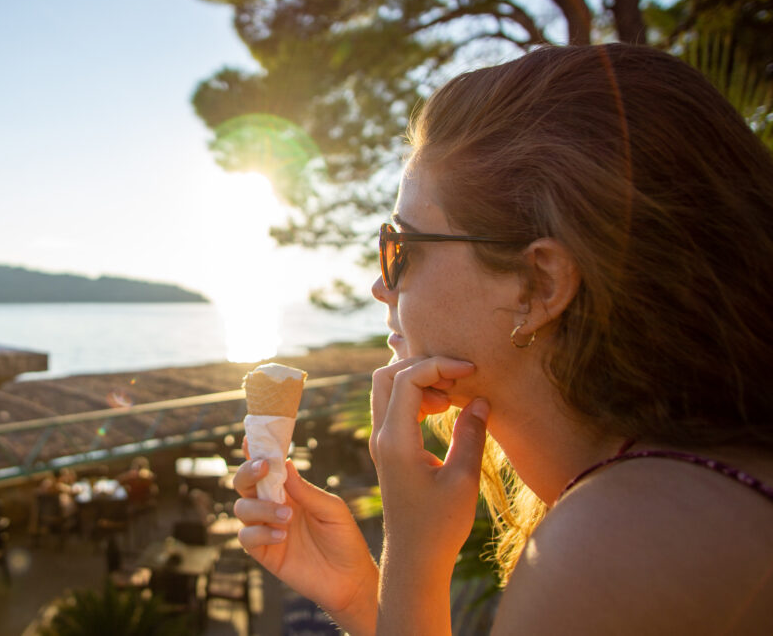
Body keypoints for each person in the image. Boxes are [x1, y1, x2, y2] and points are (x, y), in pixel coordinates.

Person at [232, 43, 773, 635]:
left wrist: (413, 559)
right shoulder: (670, 503)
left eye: (401, 249)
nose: (379, 285)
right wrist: (365, 598)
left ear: (539, 283)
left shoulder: (617, 551)